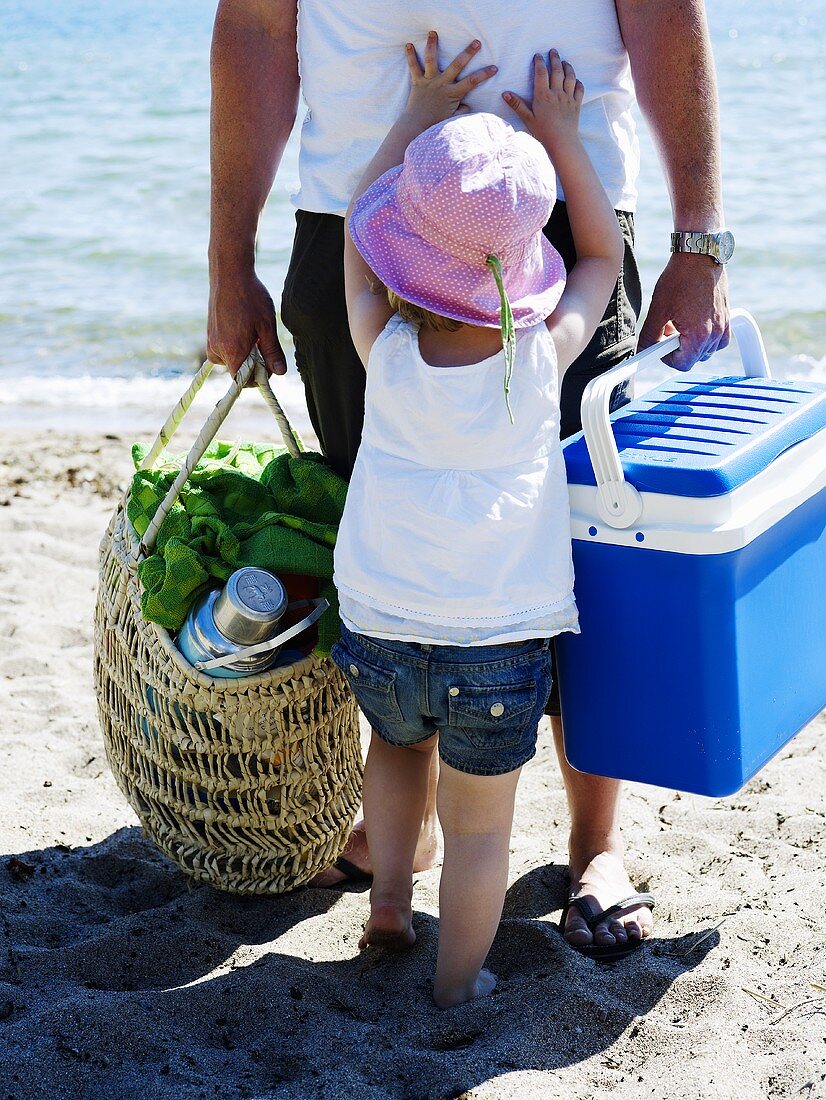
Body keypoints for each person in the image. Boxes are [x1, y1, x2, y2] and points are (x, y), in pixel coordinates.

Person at [207, 0, 731, 954]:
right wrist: (227, 258)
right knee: (523, 564)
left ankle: (584, 846)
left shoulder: (385, 334)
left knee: (567, 556)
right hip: (400, 219)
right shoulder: (523, 340)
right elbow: (251, 26)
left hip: (474, 225)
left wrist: (699, 241)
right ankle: (420, 848)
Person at [333, 38, 628, 1006]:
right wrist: (563, 135)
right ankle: (458, 988)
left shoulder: (384, 345)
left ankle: (385, 905)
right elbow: (599, 254)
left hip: (379, 618)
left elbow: (352, 231)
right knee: (481, 829)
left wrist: (415, 113)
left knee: (395, 751)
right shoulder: (538, 358)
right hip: (493, 642)